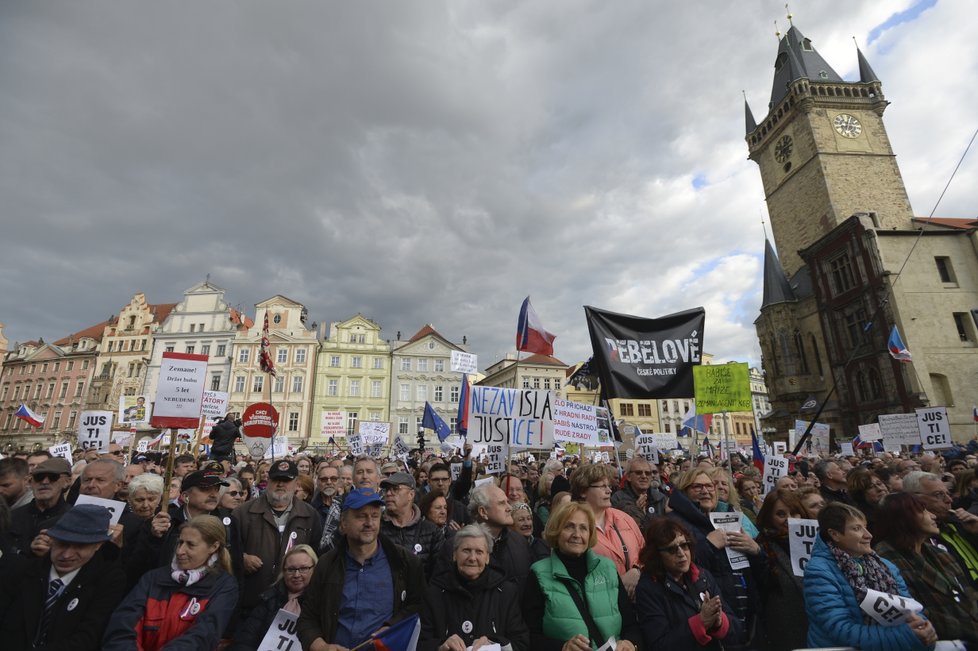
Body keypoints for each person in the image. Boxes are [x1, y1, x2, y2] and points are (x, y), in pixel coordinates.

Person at [297, 487, 426, 651]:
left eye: (374, 516)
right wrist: (320, 646)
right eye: (361, 516)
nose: (369, 523)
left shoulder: (405, 562)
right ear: (343, 523)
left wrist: (393, 627)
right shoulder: (327, 564)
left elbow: (418, 607)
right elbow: (307, 618)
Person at [803, 502, 937, 650]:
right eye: (856, 528)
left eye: (865, 527)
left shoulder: (886, 566)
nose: (868, 535)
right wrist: (907, 635)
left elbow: (910, 608)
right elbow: (839, 628)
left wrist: (923, 626)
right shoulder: (819, 570)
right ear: (834, 534)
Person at [0, 504, 127, 651]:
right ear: (51, 539)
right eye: (62, 544)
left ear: (98, 545)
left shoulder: (109, 581)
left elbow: (87, 638)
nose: (66, 555)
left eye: (80, 546)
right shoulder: (24, 571)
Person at [103, 515, 239, 650]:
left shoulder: (224, 586)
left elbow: (203, 636)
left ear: (213, 547)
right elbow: (122, 626)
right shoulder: (152, 578)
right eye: (180, 543)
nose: (180, 551)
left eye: (190, 545)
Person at [523, 501, 640, 651]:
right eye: (569, 526)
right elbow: (530, 637)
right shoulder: (538, 574)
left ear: (590, 534)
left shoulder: (608, 568)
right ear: (556, 531)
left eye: (583, 528)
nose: (577, 534)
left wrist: (630, 643)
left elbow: (631, 625)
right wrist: (562, 647)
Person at [667, 469, 761, 649]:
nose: (706, 490)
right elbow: (677, 569)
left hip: (743, 616)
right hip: (713, 619)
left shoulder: (725, 519)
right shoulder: (674, 523)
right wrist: (708, 545)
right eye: (698, 486)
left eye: (710, 486)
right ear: (685, 491)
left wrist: (756, 550)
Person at [875, 492, 978, 645]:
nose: (933, 516)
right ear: (904, 518)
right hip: (942, 641)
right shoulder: (885, 560)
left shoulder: (938, 553)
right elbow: (915, 613)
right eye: (923, 511)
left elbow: (967, 594)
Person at [634, 517, 741, 650]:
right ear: (656, 555)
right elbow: (659, 646)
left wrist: (719, 622)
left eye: (684, 545)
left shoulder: (703, 576)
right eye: (672, 549)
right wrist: (700, 623)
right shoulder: (648, 589)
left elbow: (737, 630)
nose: (681, 554)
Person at [419, 524, 529, 651]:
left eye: (479, 552)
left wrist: (495, 644)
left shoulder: (506, 592)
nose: (472, 558)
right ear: (454, 555)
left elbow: (521, 643)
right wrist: (440, 647)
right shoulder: (434, 593)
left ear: (487, 557)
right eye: (466, 550)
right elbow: (420, 643)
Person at [233, 459, 323, 612]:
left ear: (295, 484)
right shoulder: (243, 513)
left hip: (293, 604)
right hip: (251, 602)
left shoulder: (310, 515)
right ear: (268, 481)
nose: (280, 485)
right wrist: (241, 558)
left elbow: (317, 555)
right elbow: (228, 552)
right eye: (276, 480)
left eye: (286, 480)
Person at [568, 464, 644, 596]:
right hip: (598, 605)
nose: (609, 490)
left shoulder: (624, 518)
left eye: (609, 486)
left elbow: (646, 552)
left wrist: (636, 570)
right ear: (582, 491)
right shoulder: (569, 526)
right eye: (602, 486)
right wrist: (616, 584)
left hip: (637, 603)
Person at [230, 544, 319, 651]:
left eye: (303, 568)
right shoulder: (269, 599)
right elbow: (246, 639)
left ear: (315, 569)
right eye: (291, 569)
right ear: (283, 572)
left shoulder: (322, 602)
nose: (296, 575)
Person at [754, 488, 808, 651]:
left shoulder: (817, 542)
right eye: (781, 514)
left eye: (794, 513)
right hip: (784, 626)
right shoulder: (761, 547)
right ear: (769, 517)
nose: (789, 519)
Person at [904, 470, 978, 586]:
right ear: (914, 498)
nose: (949, 500)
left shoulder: (961, 522)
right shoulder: (917, 536)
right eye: (938, 495)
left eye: (948, 493)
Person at [380, 471, 444, 571]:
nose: (388, 494)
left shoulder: (431, 531)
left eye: (395, 489)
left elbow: (439, 573)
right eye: (387, 490)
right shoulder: (377, 528)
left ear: (411, 494)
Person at [9, 458, 72, 556]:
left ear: (67, 482)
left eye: (52, 477)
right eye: (39, 477)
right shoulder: (12, 517)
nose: (44, 482)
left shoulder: (74, 519)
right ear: (31, 482)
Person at [611, 457, 667, 529]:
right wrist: (636, 512)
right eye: (638, 473)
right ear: (628, 476)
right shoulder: (617, 499)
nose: (644, 476)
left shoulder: (661, 498)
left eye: (647, 473)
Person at [847, 468, 888, 537]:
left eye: (879, 483)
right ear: (860, 494)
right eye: (870, 487)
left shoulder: (898, 505)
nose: (880, 489)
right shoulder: (863, 521)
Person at [313, 464, 343, 553]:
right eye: (324, 479)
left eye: (333, 478)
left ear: (339, 482)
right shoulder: (309, 510)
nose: (329, 482)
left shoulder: (348, 506)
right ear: (317, 482)